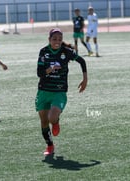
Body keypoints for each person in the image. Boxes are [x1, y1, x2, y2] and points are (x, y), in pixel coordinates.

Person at [35, 28, 88, 156]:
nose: (57, 41)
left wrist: (85, 79)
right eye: (54, 39)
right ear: (49, 39)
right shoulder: (43, 52)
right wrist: (51, 68)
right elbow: (39, 73)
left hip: (59, 92)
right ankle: (50, 145)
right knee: (43, 122)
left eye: (59, 39)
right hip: (43, 91)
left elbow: (82, 61)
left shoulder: (66, 52)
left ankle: (56, 121)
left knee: (52, 118)